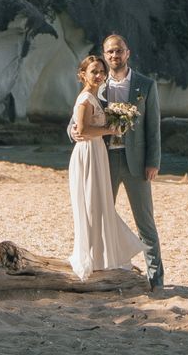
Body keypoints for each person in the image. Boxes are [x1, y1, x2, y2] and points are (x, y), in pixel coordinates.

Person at [70, 32, 164, 289]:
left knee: (146, 224)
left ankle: (156, 280)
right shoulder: (97, 86)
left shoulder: (145, 85)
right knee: (99, 217)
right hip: (104, 161)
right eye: (110, 51)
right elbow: (77, 121)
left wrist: (153, 161)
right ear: (104, 54)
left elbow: (153, 127)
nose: (114, 55)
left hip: (137, 162)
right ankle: (104, 275)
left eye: (119, 51)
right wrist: (73, 133)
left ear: (127, 53)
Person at [67, 54, 144, 280]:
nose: (99, 75)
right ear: (83, 74)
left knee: (99, 206)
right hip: (88, 155)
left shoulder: (94, 96)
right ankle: (92, 258)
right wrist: (111, 130)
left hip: (97, 153)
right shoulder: (85, 99)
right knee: (91, 206)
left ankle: (100, 258)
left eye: (101, 71)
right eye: (94, 71)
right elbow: (80, 131)